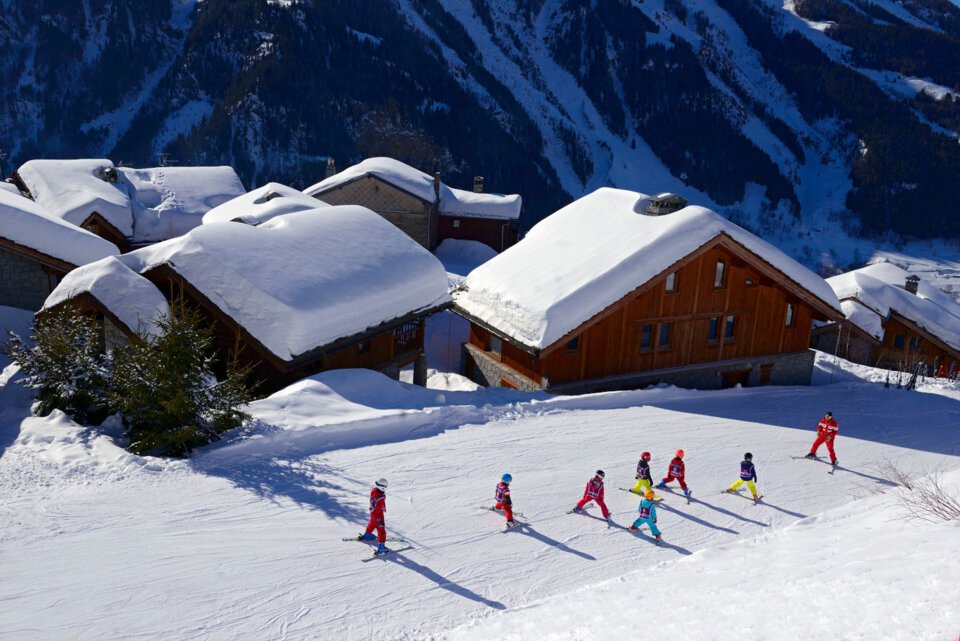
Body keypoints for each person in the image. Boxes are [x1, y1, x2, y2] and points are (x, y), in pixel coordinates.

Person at [357, 478, 389, 554]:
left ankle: (367, 535)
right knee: (381, 530)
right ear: (382, 487)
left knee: (372, 523)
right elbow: (378, 509)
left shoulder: (374, 490)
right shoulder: (380, 498)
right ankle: (381, 547)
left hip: (372, 513)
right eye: (385, 487)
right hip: (378, 515)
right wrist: (380, 520)